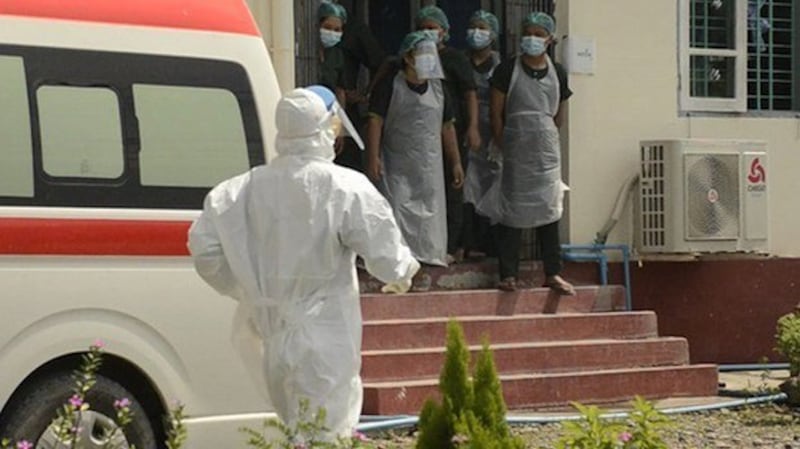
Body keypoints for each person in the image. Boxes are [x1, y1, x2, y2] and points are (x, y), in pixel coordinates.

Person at [187, 85, 420, 441]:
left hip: (273, 338)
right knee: (329, 434)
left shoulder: (241, 189)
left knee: (295, 431)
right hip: (327, 338)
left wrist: (250, 290)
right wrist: (402, 274)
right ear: (326, 128)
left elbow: (205, 251)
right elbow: (388, 257)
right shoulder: (344, 186)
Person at [481, 12, 576, 295]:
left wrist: (545, 135)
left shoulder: (558, 71)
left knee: (549, 208)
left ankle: (553, 272)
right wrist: (503, 142)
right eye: (528, 33)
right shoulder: (507, 70)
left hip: (546, 151)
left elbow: (560, 114)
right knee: (513, 210)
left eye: (538, 34)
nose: (532, 39)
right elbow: (496, 112)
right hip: (516, 147)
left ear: (549, 39)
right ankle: (508, 273)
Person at [366, 30, 464, 268]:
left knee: (430, 211)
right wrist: (373, 156)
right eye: (422, 53)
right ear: (408, 57)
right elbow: (375, 121)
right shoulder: (391, 85)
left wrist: (456, 162)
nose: (427, 59)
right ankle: (397, 259)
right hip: (396, 160)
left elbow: (447, 127)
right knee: (396, 206)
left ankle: (429, 254)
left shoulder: (439, 89)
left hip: (430, 164)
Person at [415, 5, 480, 264]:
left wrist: (473, 127)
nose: (427, 32)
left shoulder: (455, 59)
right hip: (420, 136)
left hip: (451, 131)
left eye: (432, 28)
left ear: (444, 31)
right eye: (422, 28)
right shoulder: (414, 56)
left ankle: (452, 245)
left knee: (454, 186)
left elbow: (470, 93)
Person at [462, 10, 502, 260]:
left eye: (483, 28)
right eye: (473, 27)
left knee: (493, 188)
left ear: (494, 35)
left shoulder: (501, 66)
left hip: (493, 133)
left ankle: (492, 246)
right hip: (467, 131)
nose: (477, 33)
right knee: (468, 187)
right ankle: (468, 243)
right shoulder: (460, 61)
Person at [317, 1, 349, 158]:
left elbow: (340, 91)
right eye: (328, 28)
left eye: (337, 30)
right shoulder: (309, 50)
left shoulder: (337, 56)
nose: (332, 33)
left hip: (328, 116)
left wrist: (339, 129)